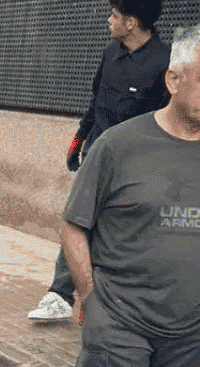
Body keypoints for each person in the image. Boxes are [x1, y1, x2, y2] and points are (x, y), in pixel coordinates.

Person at [61, 23, 200, 366]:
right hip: (119, 329)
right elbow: (74, 225)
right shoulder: (117, 146)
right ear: (173, 80)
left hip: (191, 339)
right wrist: (90, 298)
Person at [28, 0, 169, 322]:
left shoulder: (165, 63)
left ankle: (117, 299)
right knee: (77, 221)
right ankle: (60, 295)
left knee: (120, 231)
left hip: (138, 165)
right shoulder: (110, 53)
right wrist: (78, 139)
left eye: (115, 16)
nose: (109, 21)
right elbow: (95, 101)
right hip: (96, 153)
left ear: (132, 22)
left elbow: (168, 118)